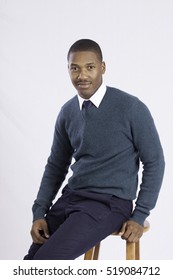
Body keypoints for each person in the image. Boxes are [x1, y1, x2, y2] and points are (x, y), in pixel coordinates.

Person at [24, 39, 165, 260]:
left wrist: (140, 215)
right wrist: (39, 211)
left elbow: (155, 162)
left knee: (46, 263)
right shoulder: (68, 111)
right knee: (28, 264)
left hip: (109, 203)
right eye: (74, 68)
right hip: (72, 198)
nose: (82, 75)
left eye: (90, 67)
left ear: (102, 67)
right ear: (68, 70)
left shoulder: (131, 108)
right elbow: (56, 165)